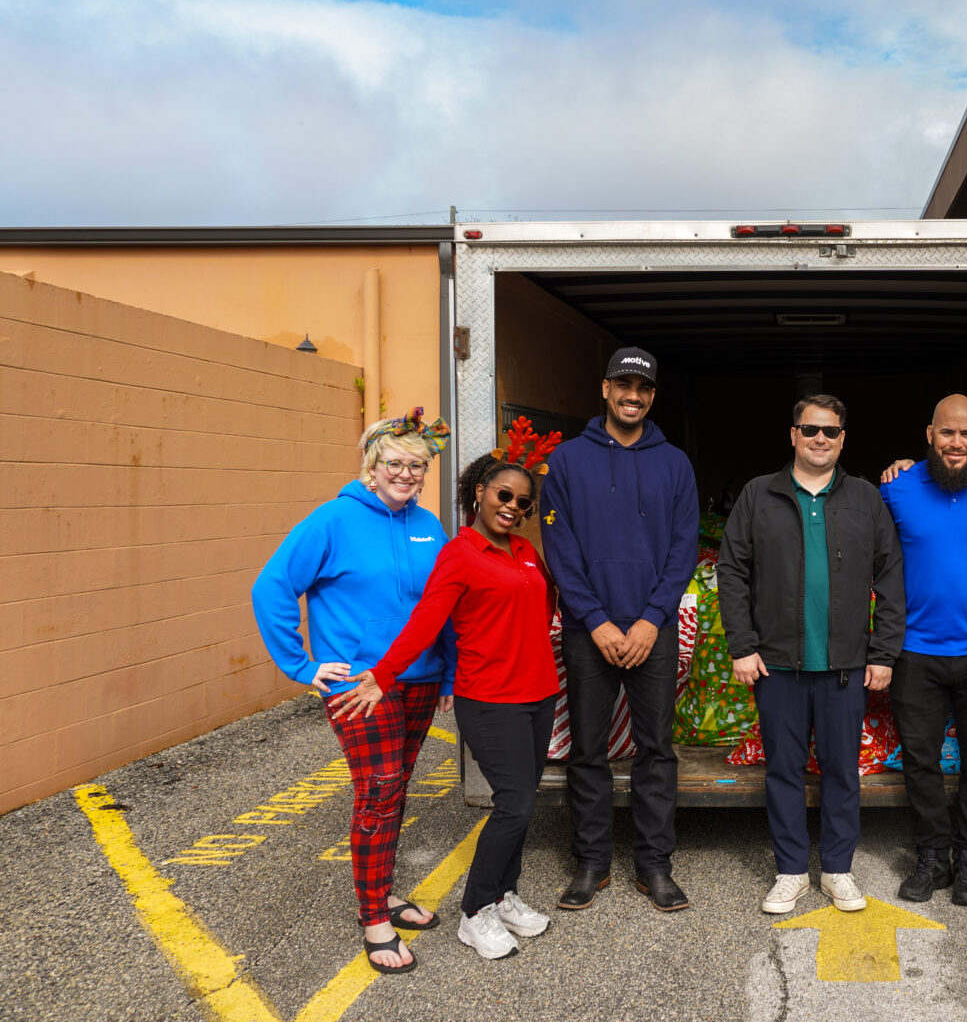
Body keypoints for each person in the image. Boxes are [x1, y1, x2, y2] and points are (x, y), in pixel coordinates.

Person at [332, 435, 562, 961]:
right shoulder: (459, 554)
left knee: (523, 807)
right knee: (514, 805)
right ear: (480, 493)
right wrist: (383, 675)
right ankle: (475, 911)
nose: (513, 508)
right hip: (490, 698)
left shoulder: (526, 551)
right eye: (504, 496)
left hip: (539, 693)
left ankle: (505, 895)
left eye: (524, 503)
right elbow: (425, 622)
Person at [251, 408, 456, 975]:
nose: (408, 473)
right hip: (359, 686)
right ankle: (374, 917)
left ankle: (384, 891)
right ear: (372, 466)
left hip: (417, 682)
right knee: (379, 790)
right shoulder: (332, 521)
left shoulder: (428, 524)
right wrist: (300, 664)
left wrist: (447, 672)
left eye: (418, 465)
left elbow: (441, 603)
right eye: (396, 462)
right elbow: (271, 587)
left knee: (395, 788)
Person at [718, 394, 905, 915]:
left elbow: (891, 575)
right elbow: (731, 571)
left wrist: (884, 651)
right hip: (777, 665)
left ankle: (839, 870)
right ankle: (791, 871)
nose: (819, 438)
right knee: (783, 770)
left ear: (843, 439)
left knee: (843, 770)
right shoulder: (760, 494)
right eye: (809, 429)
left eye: (830, 431)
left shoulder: (866, 498)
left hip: (845, 667)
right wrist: (742, 646)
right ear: (792, 435)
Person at [540, 347, 699, 912]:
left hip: (651, 633)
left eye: (643, 388)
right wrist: (597, 621)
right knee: (588, 751)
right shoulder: (567, 461)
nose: (633, 395)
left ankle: (655, 866)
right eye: (623, 385)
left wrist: (653, 620)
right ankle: (591, 864)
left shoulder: (674, 463)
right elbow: (559, 549)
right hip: (591, 632)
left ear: (652, 397)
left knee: (656, 751)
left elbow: (684, 551)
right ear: (604, 389)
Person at [879, 394, 967, 906]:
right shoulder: (898, 489)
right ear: (929, 434)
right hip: (915, 653)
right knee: (921, 762)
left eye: (966, 434)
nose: (956, 443)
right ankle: (932, 858)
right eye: (947, 433)